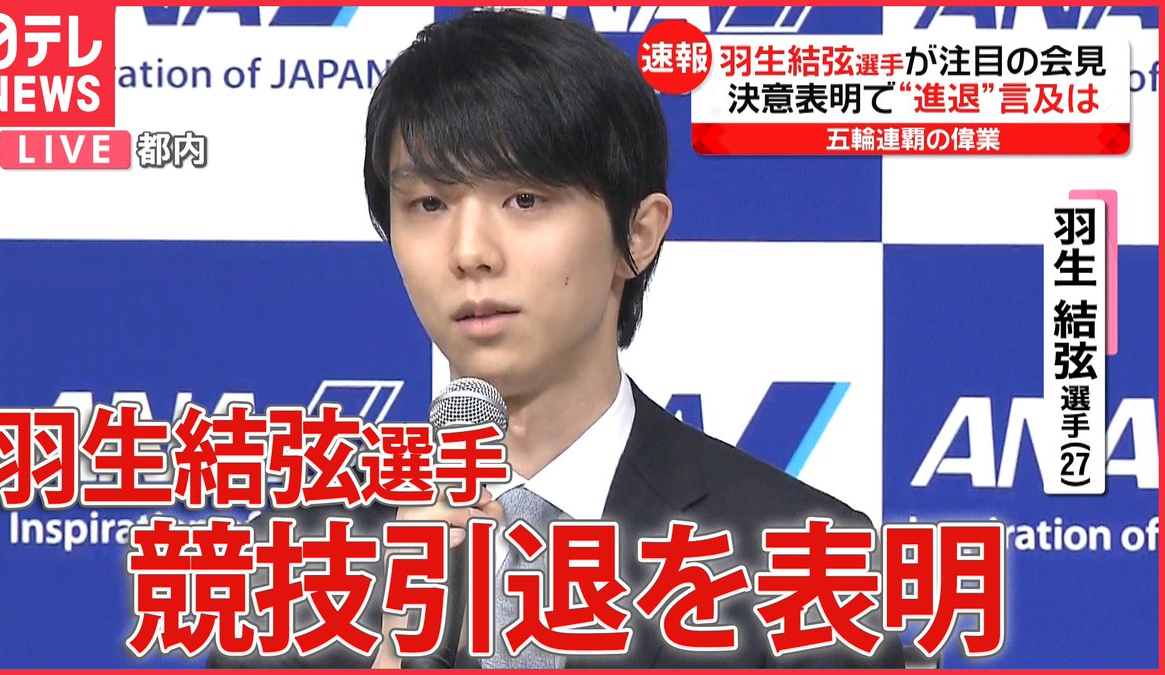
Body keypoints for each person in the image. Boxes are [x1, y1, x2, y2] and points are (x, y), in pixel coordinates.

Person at [211, 9, 905, 669]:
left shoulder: (802, 554)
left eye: (525, 200)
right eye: (429, 203)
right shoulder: (289, 569)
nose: (470, 252)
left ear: (637, 234)